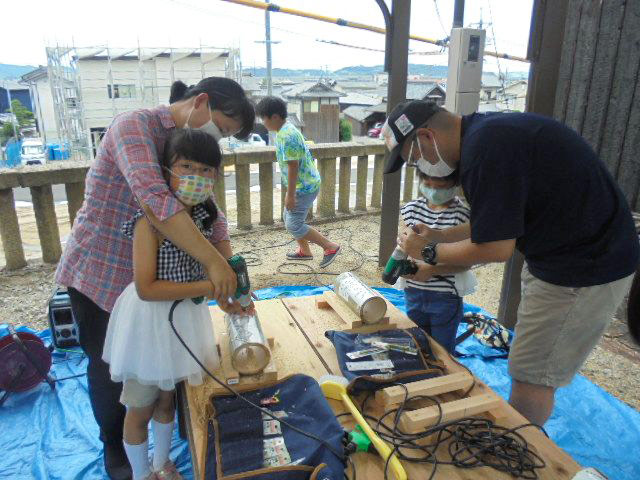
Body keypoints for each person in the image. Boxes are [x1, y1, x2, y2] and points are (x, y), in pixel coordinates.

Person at [383, 99, 638, 426]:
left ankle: (519, 453)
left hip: (585, 266)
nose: (420, 166)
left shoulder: (486, 151)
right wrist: (436, 235)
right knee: (529, 363)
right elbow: (497, 219)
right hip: (564, 254)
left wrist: (428, 252)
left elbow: (495, 247)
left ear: (427, 136)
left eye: (414, 156)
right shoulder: (487, 137)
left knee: (531, 373)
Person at [55, 77, 254, 480]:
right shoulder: (135, 126)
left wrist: (229, 272)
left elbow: (213, 218)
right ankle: (116, 448)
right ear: (201, 103)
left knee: (161, 372)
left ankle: (161, 454)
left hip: (163, 288)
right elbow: (154, 198)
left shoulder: (188, 151)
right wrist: (213, 272)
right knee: (110, 366)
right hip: (102, 270)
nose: (221, 137)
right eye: (224, 128)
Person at [103, 129, 227, 480]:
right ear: (166, 170)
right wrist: (211, 284)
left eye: (206, 170)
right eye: (187, 166)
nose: (196, 177)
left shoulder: (204, 219)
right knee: (139, 407)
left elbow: (213, 264)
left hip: (183, 319)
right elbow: (146, 288)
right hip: (148, 323)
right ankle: (141, 474)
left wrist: (226, 293)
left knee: (166, 399)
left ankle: (161, 463)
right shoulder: (150, 222)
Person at [256, 96, 340, 268]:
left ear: (275, 117)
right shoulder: (285, 131)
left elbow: (293, 166)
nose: (263, 122)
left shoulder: (287, 136)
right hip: (305, 184)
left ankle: (330, 247)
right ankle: (304, 250)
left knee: (293, 223)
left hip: (304, 187)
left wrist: (290, 194)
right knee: (288, 217)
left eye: (264, 118)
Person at [400, 166, 475, 353]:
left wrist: (432, 269)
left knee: (442, 351)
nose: (434, 190)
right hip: (414, 292)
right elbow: (401, 248)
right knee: (417, 346)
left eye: (441, 186)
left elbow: (466, 262)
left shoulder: (463, 217)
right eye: (428, 184)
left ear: (455, 183)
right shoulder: (410, 210)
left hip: (445, 296)